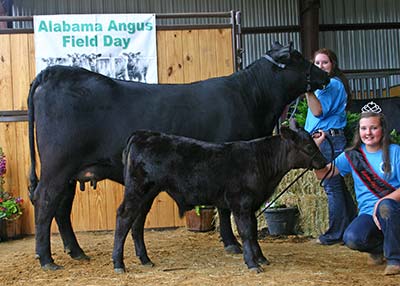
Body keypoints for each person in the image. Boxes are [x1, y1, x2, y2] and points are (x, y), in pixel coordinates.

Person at [313, 107, 400, 276]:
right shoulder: (352, 156)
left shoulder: (395, 152)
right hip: (369, 215)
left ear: (382, 129)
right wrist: (315, 148)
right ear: (358, 131)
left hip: (394, 211)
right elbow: (323, 174)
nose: (368, 133)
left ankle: (395, 260)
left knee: (386, 207)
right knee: (352, 238)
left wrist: (383, 201)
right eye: (363, 128)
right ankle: (380, 248)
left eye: (373, 128)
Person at [304, 48, 357, 245]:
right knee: (338, 186)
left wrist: (307, 89)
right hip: (326, 139)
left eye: (325, 62)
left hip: (328, 140)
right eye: (317, 63)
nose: (321, 66)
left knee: (331, 185)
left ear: (333, 65)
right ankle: (351, 224)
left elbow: (317, 112)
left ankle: (334, 234)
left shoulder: (332, 84)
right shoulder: (326, 86)